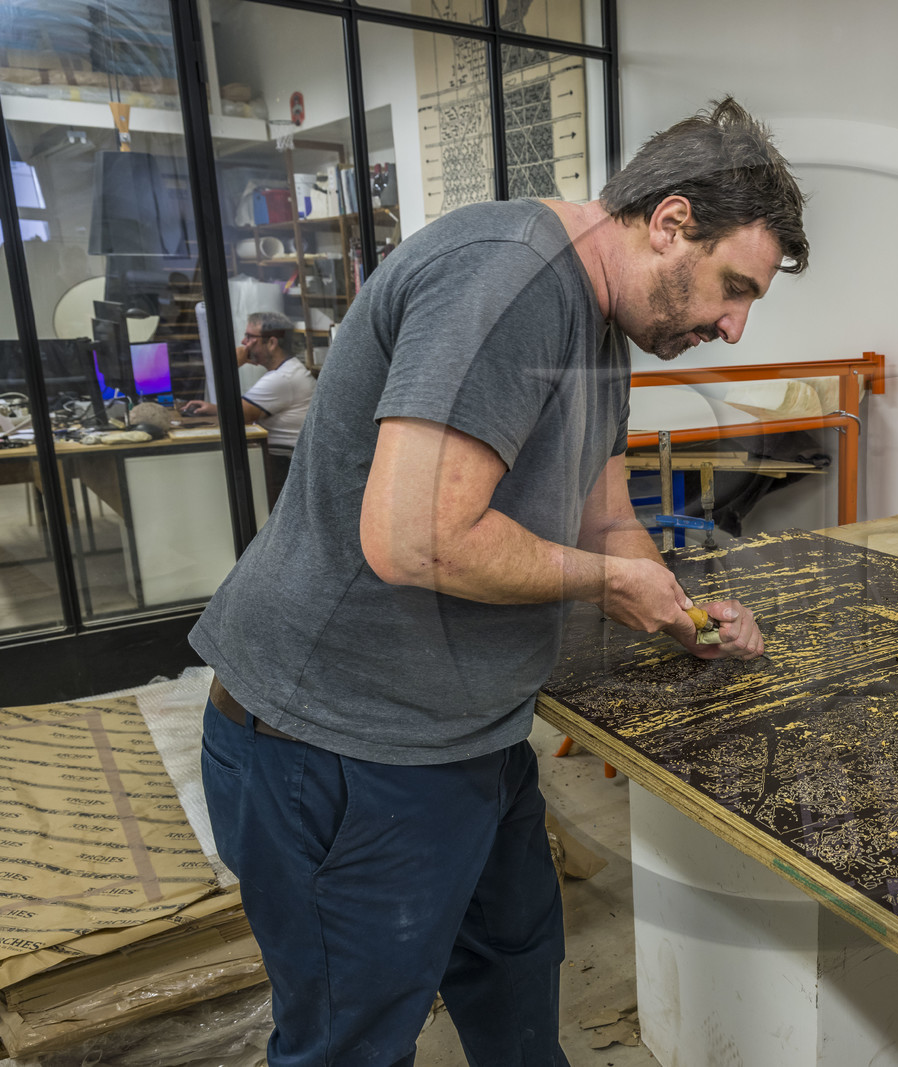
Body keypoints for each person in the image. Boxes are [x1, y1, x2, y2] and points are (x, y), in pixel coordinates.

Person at [189, 97, 808, 1066]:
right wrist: (610, 583)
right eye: (734, 288)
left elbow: (603, 514)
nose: (731, 326)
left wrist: (674, 606)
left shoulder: (600, 329)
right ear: (671, 221)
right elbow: (412, 537)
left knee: (516, 974)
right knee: (347, 1040)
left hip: (464, 734)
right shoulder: (511, 280)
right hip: (340, 744)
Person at [182, 309, 315, 507]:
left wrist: (231, 364)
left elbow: (236, 417)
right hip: (288, 461)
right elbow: (240, 410)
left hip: (285, 466)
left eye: (249, 337)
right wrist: (212, 408)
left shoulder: (281, 379)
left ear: (271, 343)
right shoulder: (288, 370)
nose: (244, 343)